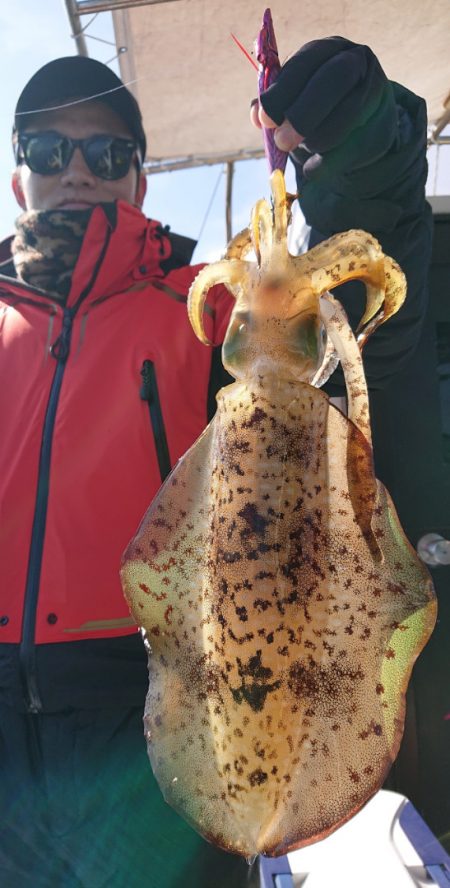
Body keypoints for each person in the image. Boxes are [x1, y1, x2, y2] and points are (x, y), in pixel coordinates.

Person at [0, 37, 431, 888]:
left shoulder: (205, 313)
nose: (78, 169)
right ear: (20, 177)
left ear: (139, 178)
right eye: (50, 150)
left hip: (162, 712)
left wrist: (356, 154)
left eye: (107, 150)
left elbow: (345, 332)